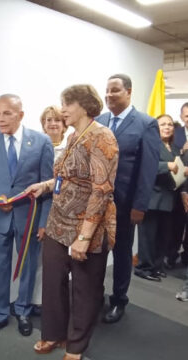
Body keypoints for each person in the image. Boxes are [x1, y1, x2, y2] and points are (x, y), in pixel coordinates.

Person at [27, 84, 118, 360]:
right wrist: (44, 185)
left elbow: (101, 190)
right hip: (58, 222)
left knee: (84, 287)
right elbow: (66, 177)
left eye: (67, 103)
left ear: (84, 106)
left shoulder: (103, 137)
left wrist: (85, 236)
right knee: (53, 281)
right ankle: (54, 333)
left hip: (86, 226)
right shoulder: (74, 136)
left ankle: (76, 345)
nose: (63, 109)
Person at [0, 94, 53, 341]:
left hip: (29, 218)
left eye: (7, 113)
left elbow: (49, 185)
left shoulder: (41, 142)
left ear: (21, 114)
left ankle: (24, 310)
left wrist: (44, 222)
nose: (0, 118)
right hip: (0, 216)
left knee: (28, 266)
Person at [96, 73, 160, 324]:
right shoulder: (99, 120)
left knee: (122, 253)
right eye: (107, 90)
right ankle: (94, 295)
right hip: (97, 203)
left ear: (129, 92)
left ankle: (119, 300)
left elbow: (148, 169)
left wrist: (139, 206)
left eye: (115, 90)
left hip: (125, 205)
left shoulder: (146, 123)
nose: (109, 95)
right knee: (96, 252)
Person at [135, 114, 183, 281]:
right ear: (155, 127)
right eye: (163, 124)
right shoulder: (150, 144)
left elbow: (178, 168)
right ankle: (144, 268)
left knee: (163, 237)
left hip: (170, 200)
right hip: (152, 199)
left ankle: (156, 267)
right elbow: (144, 166)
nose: (167, 127)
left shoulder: (175, 148)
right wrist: (166, 165)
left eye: (170, 124)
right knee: (148, 238)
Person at [31, 105, 68, 315]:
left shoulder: (71, 147)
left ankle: (57, 301)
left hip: (64, 211)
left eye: (57, 120)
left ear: (64, 125)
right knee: (39, 258)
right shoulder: (36, 147)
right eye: (48, 120)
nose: (52, 124)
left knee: (61, 260)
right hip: (41, 208)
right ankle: (39, 301)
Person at [168, 102, 188, 268]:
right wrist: (182, 150)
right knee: (176, 224)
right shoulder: (175, 134)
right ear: (181, 117)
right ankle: (171, 256)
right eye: (187, 115)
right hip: (178, 186)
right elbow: (170, 156)